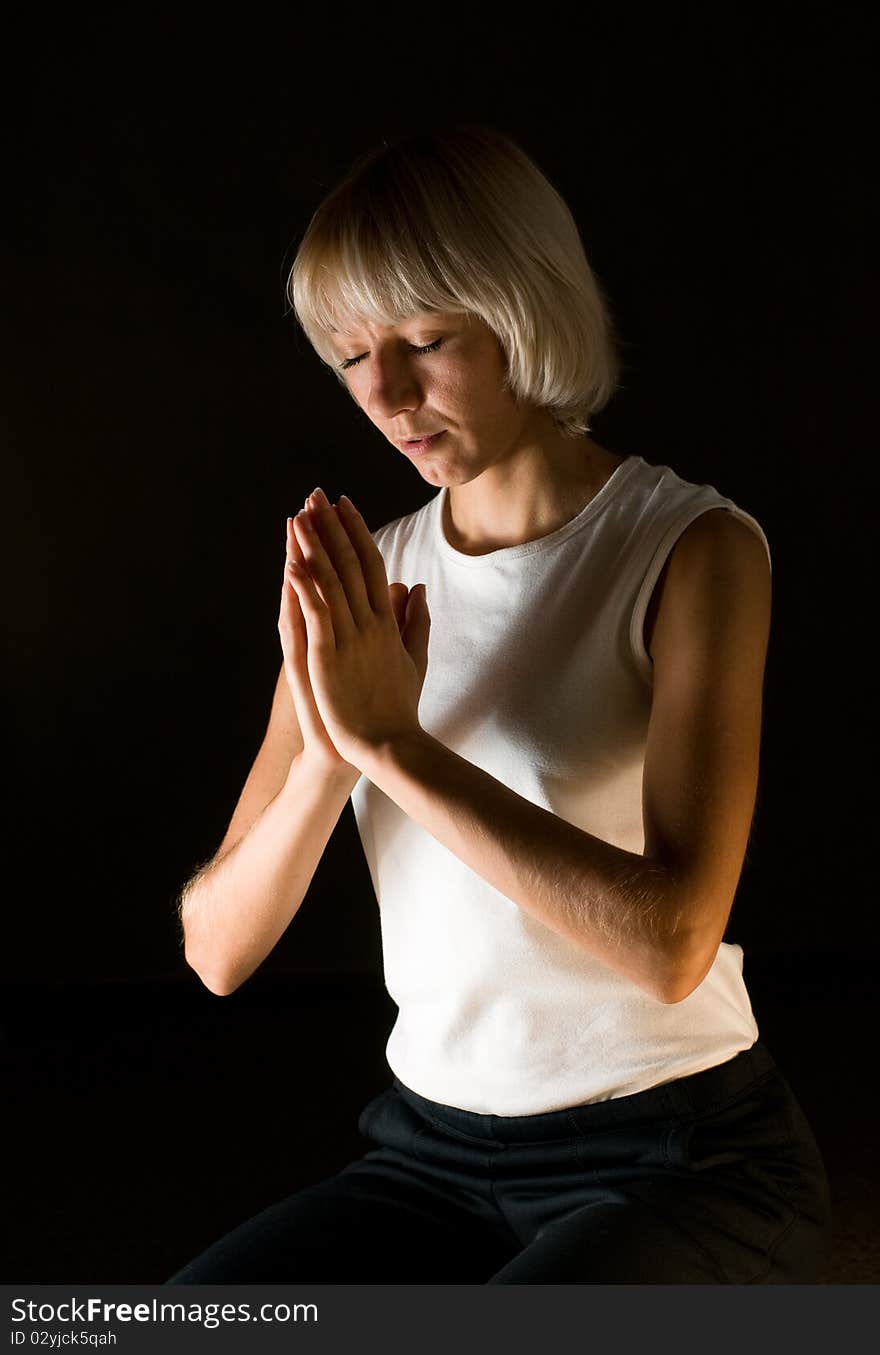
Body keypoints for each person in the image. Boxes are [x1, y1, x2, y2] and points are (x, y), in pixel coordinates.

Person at [167, 124, 831, 1284]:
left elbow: (672, 944)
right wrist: (329, 750)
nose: (382, 393)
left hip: (677, 1152)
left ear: (522, 314)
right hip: (425, 1154)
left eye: (425, 340)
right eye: (348, 355)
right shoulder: (364, 579)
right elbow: (217, 951)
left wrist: (392, 743)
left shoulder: (691, 551)